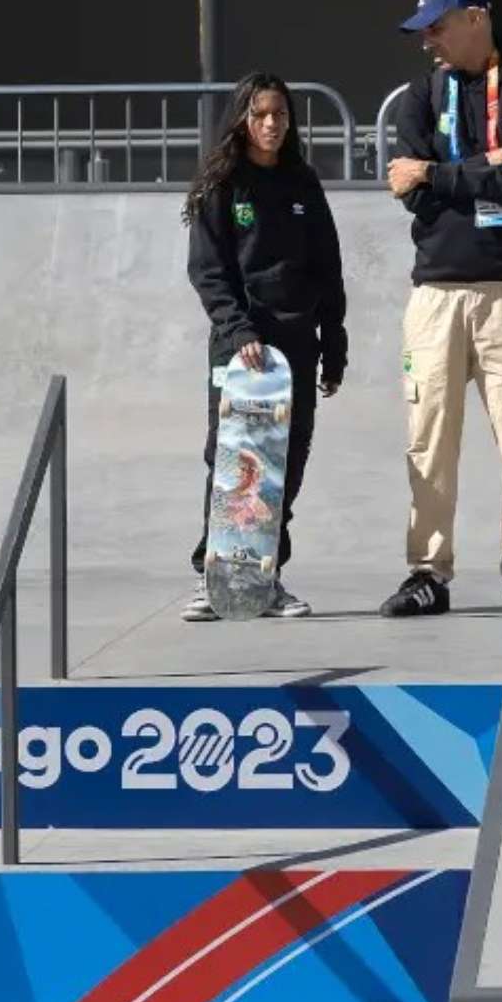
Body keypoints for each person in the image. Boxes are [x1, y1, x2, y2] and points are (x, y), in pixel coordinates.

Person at [381, 0, 502, 619]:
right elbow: (410, 191)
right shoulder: (419, 98)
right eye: (423, 29)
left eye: (437, 25)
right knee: (429, 438)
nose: (427, 39)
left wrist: (438, 172)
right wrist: (482, 175)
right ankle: (427, 571)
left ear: (476, 17)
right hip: (435, 294)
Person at [182, 71, 348, 621]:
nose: (271, 124)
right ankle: (215, 575)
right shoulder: (223, 186)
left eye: (279, 114)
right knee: (233, 459)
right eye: (260, 115)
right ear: (242, 120)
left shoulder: (303, 184)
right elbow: (208, 272)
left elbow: (328, 268)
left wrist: (334, 344)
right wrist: (239, 333)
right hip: (242, 347)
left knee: (283, 463)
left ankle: (265, 577)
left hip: (298, 344)